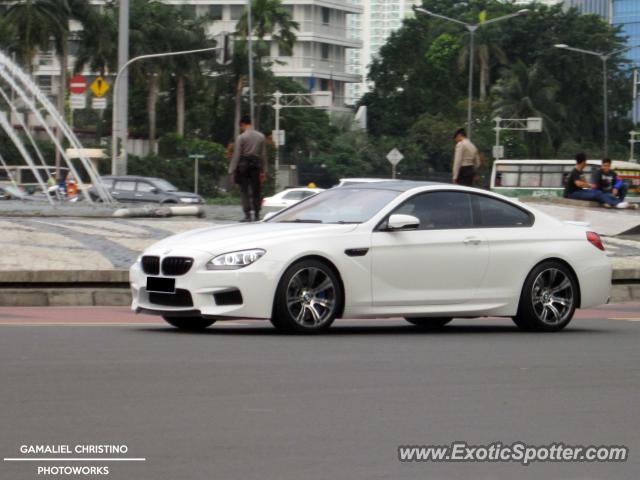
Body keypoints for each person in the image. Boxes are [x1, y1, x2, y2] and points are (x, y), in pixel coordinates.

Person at [228, 116, 268, 222]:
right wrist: (264, 171)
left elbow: (236, 155)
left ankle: (247, 215)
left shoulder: (241, 137)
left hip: (243, 167)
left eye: (241, 126)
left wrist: (231, 170)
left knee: (244, 191)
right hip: (256, 166)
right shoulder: (261, 137)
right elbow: (263, 155)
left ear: (242, 124)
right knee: (257, 190)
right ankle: (257, 214)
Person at [563, 153, 628, 208]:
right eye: (585, 162)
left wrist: (616, 187)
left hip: (579, 191)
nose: (586, 164)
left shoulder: (580, 171)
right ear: (583, 162)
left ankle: (620, 203)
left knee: (599, 193)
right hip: (571, 194)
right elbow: (579, 184)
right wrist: (590, 185)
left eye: (608, 166)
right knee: (597, 194)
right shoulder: (575, 171)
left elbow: (584, 182)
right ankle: (616, 204)